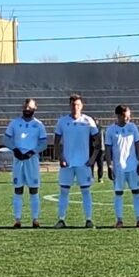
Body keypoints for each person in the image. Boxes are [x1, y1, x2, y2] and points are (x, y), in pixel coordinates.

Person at [53, 94, 100, 229]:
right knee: (64, 191)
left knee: (86, 191)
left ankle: (89, 219)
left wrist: (92, 158)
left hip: (83, 163)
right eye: (73, 105)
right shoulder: (62, 121)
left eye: (78, 105)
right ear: (69, 106)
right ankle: (61, 219)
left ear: (82, 106)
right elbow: (56, 141)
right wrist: (61, 157)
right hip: (67, 163)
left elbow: (97, 142)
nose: (75, 107)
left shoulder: (88, 121)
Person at [3, 98, 48, 228]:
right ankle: (17, 220)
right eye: (25, 107)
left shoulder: (39, 125)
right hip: (18, 159)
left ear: (35, 108)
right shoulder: (15, 123)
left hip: (31, 160)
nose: (27, 109)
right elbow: (6, 139)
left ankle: (35, 219)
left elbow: (44, 143)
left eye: (30, 107)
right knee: (18, 189)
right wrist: (15, 149)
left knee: (34, 190)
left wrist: (33, 151)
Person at [105, 104, 139, 228]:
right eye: (125, 116)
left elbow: (138, 145)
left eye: (129, 116)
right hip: (118, 168)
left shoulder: (133, 127)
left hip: (133, 166)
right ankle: (119, 220)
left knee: (136, 192)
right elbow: (108, 149)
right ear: (118, 116)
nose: (128, 118)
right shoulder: (110, 130)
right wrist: (109, 166)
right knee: (118, 193)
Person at [89, 116, 105, 183]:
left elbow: (102, 138)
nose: (95, 122)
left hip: (100, 149)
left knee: (100, 164)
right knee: (91, 164)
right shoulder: (89, 129)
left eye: (96, 120)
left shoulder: (101, 128)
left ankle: (100, 177)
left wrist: (103, 148)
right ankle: (91, 177)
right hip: (92, 148)